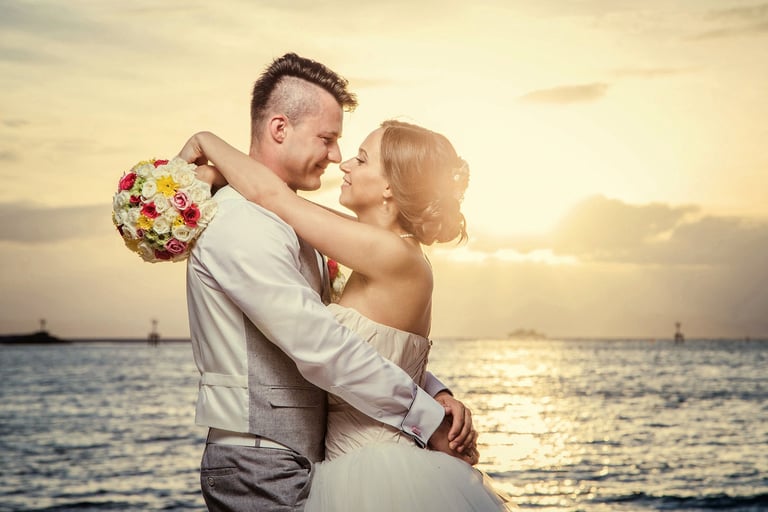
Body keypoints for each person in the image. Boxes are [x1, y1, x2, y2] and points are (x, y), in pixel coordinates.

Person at [182, 53, 479, 512]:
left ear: (388, 188)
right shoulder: (247, 222)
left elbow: (349, 339)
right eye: (330, 139)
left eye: (358, 155)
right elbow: (324, 339)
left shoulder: (370, 248)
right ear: (280, 128)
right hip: (269, 459)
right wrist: (430, 406)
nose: (340, 159)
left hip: (350, 469)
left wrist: (208, 143)